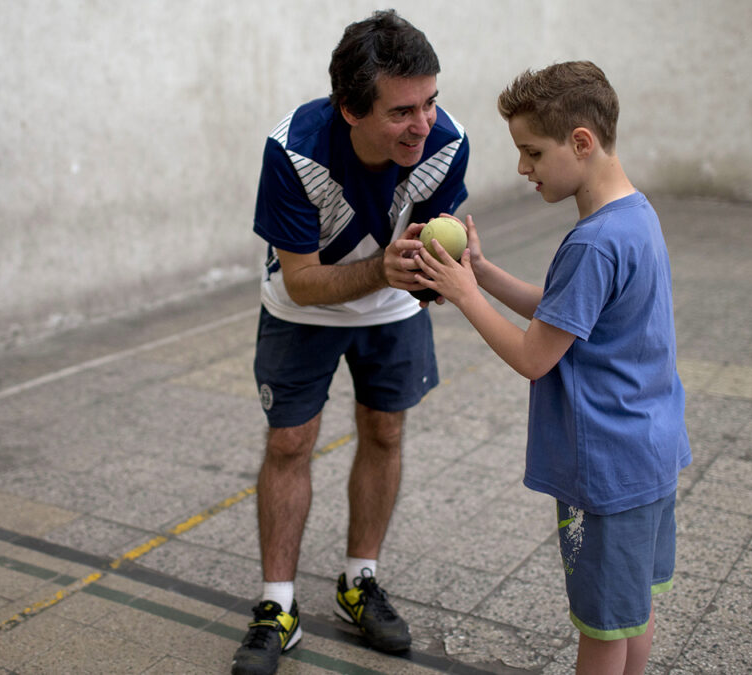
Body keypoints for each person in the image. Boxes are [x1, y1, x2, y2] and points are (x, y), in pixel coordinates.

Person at [414, 61, 690, 675]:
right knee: (631, 613)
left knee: (600, 629)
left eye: (532, 152)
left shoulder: (593, 242)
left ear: (581, 143)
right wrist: (482, 272)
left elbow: (534, 356)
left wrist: (464, 296)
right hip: (650, 453)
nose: (522, 168)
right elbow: (566, 314)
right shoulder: (634, 215)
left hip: (606, 470)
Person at [231, 10, 470, 675]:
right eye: (401, 112)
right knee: (289, 442)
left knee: (385, 430)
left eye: (430, 101)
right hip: (302, 307)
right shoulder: (294, 149)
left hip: (392, 305)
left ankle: (358, 582)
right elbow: (303, 282)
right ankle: (277, 604)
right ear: (350, 110)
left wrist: (442, 281)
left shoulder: (448, 143)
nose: (423, 124)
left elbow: (430, 257)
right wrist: (383, 270)